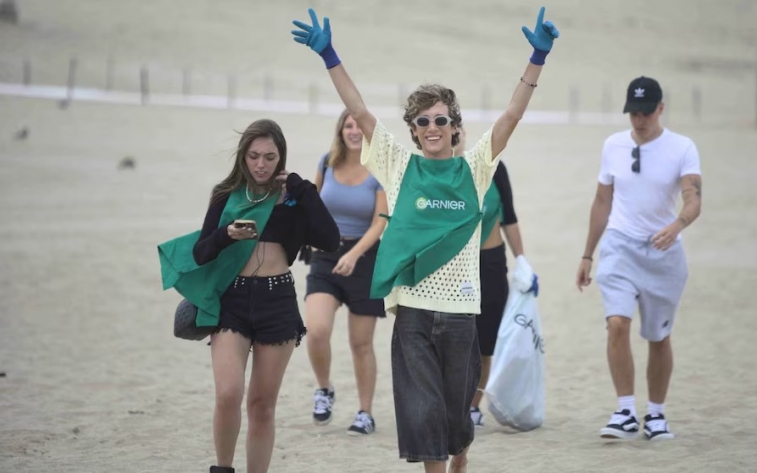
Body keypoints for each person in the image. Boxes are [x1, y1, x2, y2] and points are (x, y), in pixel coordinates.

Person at [291, 7, 560, 472]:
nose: (432, 128)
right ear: (413, 131)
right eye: (422, 122)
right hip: (412, 313)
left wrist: (537, 57)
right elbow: (359, 111)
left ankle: (461, 457)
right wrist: (330, 55)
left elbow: (512, 115)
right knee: (424, 417)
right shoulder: (400, 166)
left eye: (439, 120)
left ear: (454, 125)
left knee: (457, 421)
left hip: (461, 314)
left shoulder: (474, 169)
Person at [162, 119, 340, 473]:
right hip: (233, 301)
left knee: (262, 405)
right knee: (228, 394)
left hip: (278, 301)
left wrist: (303, 190)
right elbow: (200, 254)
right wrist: (226, 235)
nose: (261, 164)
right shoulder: (226, 195)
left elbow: (330, 239)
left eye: (269, 157)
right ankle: (223, 468)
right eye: (254, 156)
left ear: (280, 157)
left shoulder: (293, 197)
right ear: (243, 157)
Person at [576, 76, 702, 441]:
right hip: (619, 246)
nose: (639, 119)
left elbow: (693, 199)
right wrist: (587, 253)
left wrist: (677, 225)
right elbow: (602, 201)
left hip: (663, 253)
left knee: (658, 337)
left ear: (661, 109)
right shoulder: (613, 145)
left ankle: (657, 415)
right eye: (633, 112)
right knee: (617, 323)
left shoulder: (683, 147)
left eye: (646, 112)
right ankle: (626, 410)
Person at [304, 109, 388, 436]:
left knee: (360, 344)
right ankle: (324, 389)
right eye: (347, 125)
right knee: (317, 329)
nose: (354, 131)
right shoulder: (327, 161)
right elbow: (311, 205)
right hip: (325, 257)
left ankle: (365, 413)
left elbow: (381, 220)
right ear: (340, 130)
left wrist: (354, 254)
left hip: (365, 258)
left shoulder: (378, 168)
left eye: (358, 126)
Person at [454, 127, 538, 427]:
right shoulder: (442, 173)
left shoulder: (494, 168)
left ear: (462, 133)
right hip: (454, 268)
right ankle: (454, 402)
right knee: (456, 339)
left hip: (490, 263)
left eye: (458, 130)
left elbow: (510, 217)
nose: (455, 137)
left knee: (485, 342)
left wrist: (523, 262)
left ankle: (473, 407)